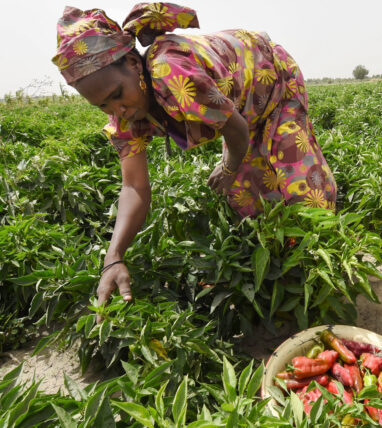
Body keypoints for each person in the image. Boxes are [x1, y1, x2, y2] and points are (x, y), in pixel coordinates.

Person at [52, 3, 338, 321]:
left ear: (133, 64)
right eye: (103, 105)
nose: (118, 109)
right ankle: (285, 274)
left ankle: (327, 267)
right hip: (240, 108)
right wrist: (113, 256)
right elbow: (134, 186)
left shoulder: (170, 72)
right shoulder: (123, 120)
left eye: (118, 94)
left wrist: (229, 166)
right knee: (247, 196)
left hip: (271, 80)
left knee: (300, 183)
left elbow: (236, 128)